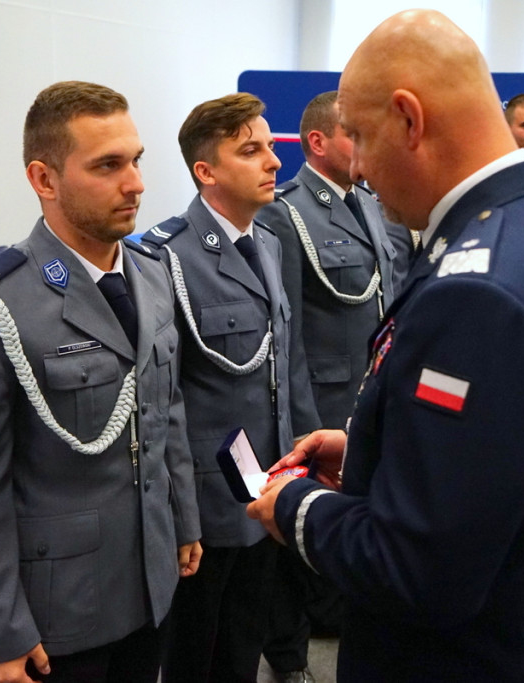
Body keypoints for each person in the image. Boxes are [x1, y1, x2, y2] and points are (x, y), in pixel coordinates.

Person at [247, 9, 524, 682]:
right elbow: (504, 453)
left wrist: (293, 503)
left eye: (365, 139)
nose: (363, 169)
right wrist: (374, 450)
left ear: (410, 118)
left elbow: (417, 571)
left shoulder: (480, 292)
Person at [0, 81, 202, 683]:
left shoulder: (151, 274)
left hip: (150, 578)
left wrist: (183, 520)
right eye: (108, 166)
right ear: (44, 180)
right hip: (60, 608)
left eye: (136, 161)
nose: (136, 184)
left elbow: (165, 411)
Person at [141, 93, 321, 683]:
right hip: (206, 501)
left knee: (244, 639)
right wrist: (180, 515)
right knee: (196, 649)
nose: (273, 161)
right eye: (252, 150)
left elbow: (281, 371)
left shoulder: (266, 243)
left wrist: (296, 467)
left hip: (264, 484)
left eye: (270, 147)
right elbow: (160, 401)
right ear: (206, 171)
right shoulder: (164, 258)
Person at [255, 90, 401, 683]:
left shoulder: (367, 202)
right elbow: (284, 331)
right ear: (317, 143)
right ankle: (287, 660)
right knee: (293, 542)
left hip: (366, 399)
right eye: (352, 133)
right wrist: (299, 422)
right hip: (320, 405)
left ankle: (334, 621)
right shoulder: (286, 213)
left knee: (350, 527)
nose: (364, 144)